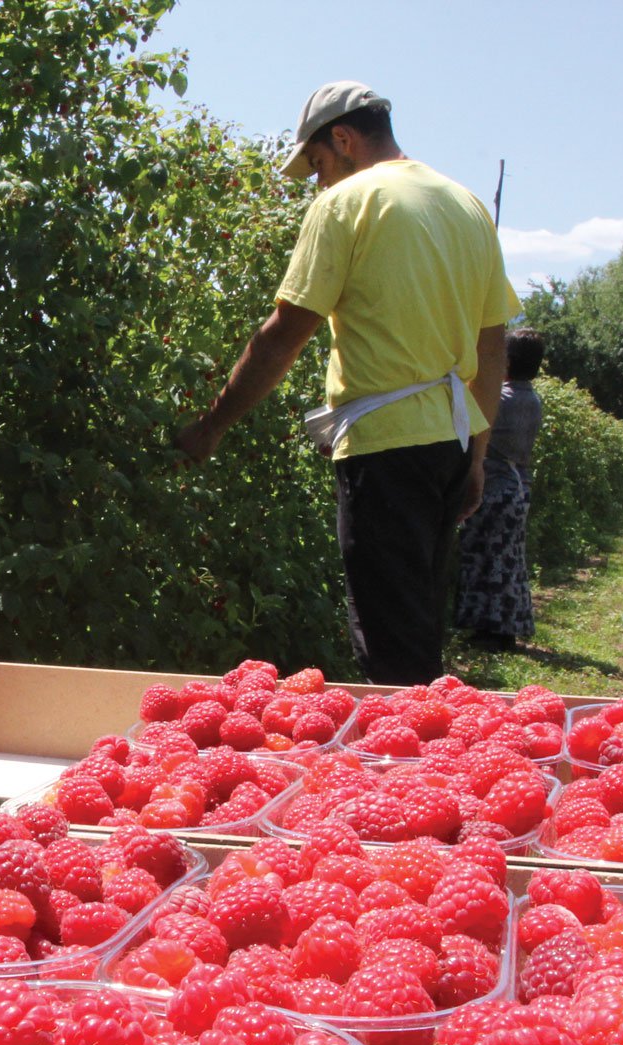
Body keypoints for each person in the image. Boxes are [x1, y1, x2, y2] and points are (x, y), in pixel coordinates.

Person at [175, 81, 520, 685]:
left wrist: (212, 425)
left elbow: (285, 333)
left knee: (391, 643)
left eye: (317, 164)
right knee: (418, 623)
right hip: (452, 440)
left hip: (386, 446)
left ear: (342, 138)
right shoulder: (465, 204)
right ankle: (428, 733)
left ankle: (406, 744)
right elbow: (492, 348)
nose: (318, 182)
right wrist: (477, 456)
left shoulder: (347, 203)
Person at [454, 328, 545, 650]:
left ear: (505, 361)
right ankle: (504, 628)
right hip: (518, 488)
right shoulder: (531, 399)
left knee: (488, 558)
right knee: (508, 561)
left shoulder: (501, 400)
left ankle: (492, 632)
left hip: (495, 489)